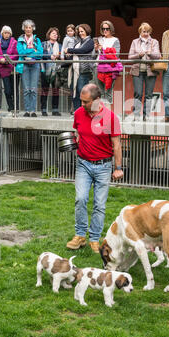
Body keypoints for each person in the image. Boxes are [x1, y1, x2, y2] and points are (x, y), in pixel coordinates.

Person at [66, 83, 123, 253]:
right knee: (81, 199)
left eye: (86, 102)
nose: (82, 105)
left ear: (97, 100)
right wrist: (73, 142)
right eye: (81, 101)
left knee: (99, 205)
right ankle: (80, 236)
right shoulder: (78, 113)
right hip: (83, 163)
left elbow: (116, 144)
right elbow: (77, 132)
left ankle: (94, 238)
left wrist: (118, 167)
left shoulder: (110, 117)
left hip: (103, 166)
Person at [128, 22, 161, 121]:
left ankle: (146, 116)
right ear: (140, 32)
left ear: (150, 32)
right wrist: (139, 55)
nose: (146, 33)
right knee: (138, 93)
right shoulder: (135, 42)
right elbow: (130, 57)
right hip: (137, 70)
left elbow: (158, 56)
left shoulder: (154, 42)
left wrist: (150, 54)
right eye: (144, 31)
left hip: (150, 71)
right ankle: (136, 115)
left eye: (148, 31)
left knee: (149, 94)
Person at [16, 19, 43, 117]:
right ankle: (27, 111)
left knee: (34, 89)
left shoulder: (37, 39)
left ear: (33, 29)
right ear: (24, 29)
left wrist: (28, 51)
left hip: (35, 65)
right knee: (27, 89)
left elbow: (40, 54)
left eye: (30, 27)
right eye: (26, 27)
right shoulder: (20, 40)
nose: (28, 29)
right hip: (24, 65)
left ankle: (33, 111)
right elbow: (20, 53)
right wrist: (32, 50)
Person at [65, 23, 94, 111]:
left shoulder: (90, 41)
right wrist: (68, 55)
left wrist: (69, 50)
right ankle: (77, 112)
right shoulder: (78, 42)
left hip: (83, 70)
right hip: (74, 70)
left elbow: (82, 51)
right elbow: (74, 53)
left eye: (82, 31)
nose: (80, 33)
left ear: (87, 31)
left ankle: (85, 112)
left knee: (82, 92)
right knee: (75, 92)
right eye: (79, 31)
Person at [94, 20, 120, 103]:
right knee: (99, 91)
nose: (105, 30)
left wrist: (103, 50)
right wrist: (95, 49)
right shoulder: (99, 39)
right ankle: (100, 113)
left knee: (108, 91)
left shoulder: (115, 40)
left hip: (110, 67)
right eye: (103, 28)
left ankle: (108, 114)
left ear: (111, 29)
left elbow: (116, 55)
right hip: (98, 66)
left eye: (107, 29)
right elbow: (93, 55)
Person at [0, 26, 19, 115]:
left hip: (13, 68)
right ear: (2, 34)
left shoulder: (14, 42)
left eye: (8, 33)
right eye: (5, 33)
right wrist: (0, 59)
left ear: (10, 34)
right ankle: (11, 107)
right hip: (3, 69)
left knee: (14, 90)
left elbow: (16, 54)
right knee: (7, 90)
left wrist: (7, 59)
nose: (7, 34)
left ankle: (15, 109)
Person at [41, 27, 62, 116]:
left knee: (55, 90)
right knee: (45, 90)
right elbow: (41, 54)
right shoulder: (43, 44)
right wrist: (50, 57)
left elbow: (63, 56)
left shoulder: (60, 46)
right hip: (45, 70)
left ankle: (55, 110)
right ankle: (44, 109)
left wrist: (59, 56)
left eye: (56, 34)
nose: (55, 35)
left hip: (57, 70)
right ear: (49, 34)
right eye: (53, 33)